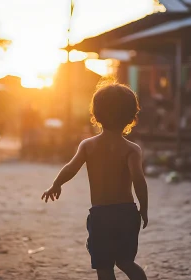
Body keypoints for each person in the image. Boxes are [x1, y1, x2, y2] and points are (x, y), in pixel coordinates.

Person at [42, 83, 149, 280]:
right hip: (126, 213)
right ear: (131, 117)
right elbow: (138, 180)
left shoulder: (88, 145)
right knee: (126, 262)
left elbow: (70, 168)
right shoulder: (132, 149)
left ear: (96, 114)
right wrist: (144, 207)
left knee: (104, 267)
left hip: (101, 215)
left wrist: (56, 184)